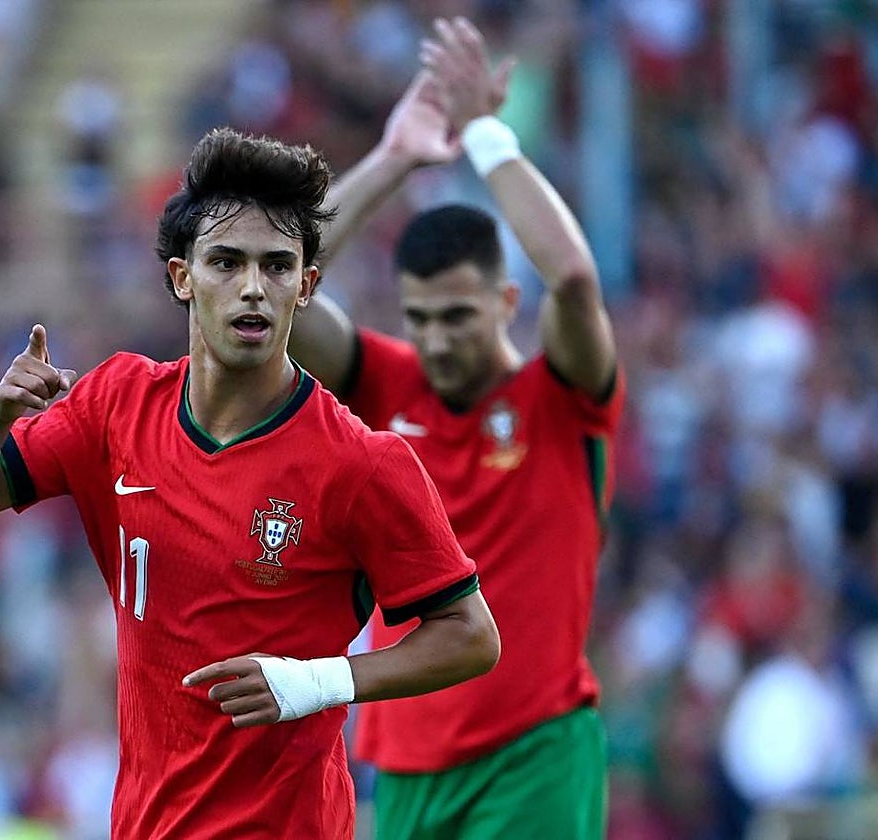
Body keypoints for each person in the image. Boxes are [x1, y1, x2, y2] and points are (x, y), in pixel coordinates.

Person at [0, 126, 500, 839]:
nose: (253, 286)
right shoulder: (115, 405)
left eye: (278, 266)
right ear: (181, 277)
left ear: (306, 286)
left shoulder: (362, 463)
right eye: (226, 261)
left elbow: (471, 636)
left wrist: (316, 681)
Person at [289, 17, 623, 840]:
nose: (436, 339)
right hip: (402, 764)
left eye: (459, 317)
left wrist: (482, 131)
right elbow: (276, 298)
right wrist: (396, 158)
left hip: (533, 753)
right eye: (421, 318)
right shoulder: (388, 382)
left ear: (507, 303)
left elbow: (575, 277)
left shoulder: (563, 394)